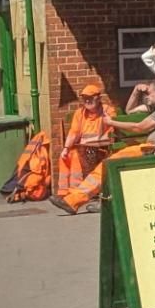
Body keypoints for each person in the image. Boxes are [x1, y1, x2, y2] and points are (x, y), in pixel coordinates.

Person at [50, 83, 115, 215]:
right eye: (84, 97)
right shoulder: (80, 113)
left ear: (98, 98)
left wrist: (90, 142)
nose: (87, 100)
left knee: (75, 159)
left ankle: (74, 197)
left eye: (90, 97)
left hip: (103, 148)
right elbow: (74, 133)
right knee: (66, 156)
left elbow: (112, 133)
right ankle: (64, 194)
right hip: (84, 148)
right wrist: (66, 148)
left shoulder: (108, 111)